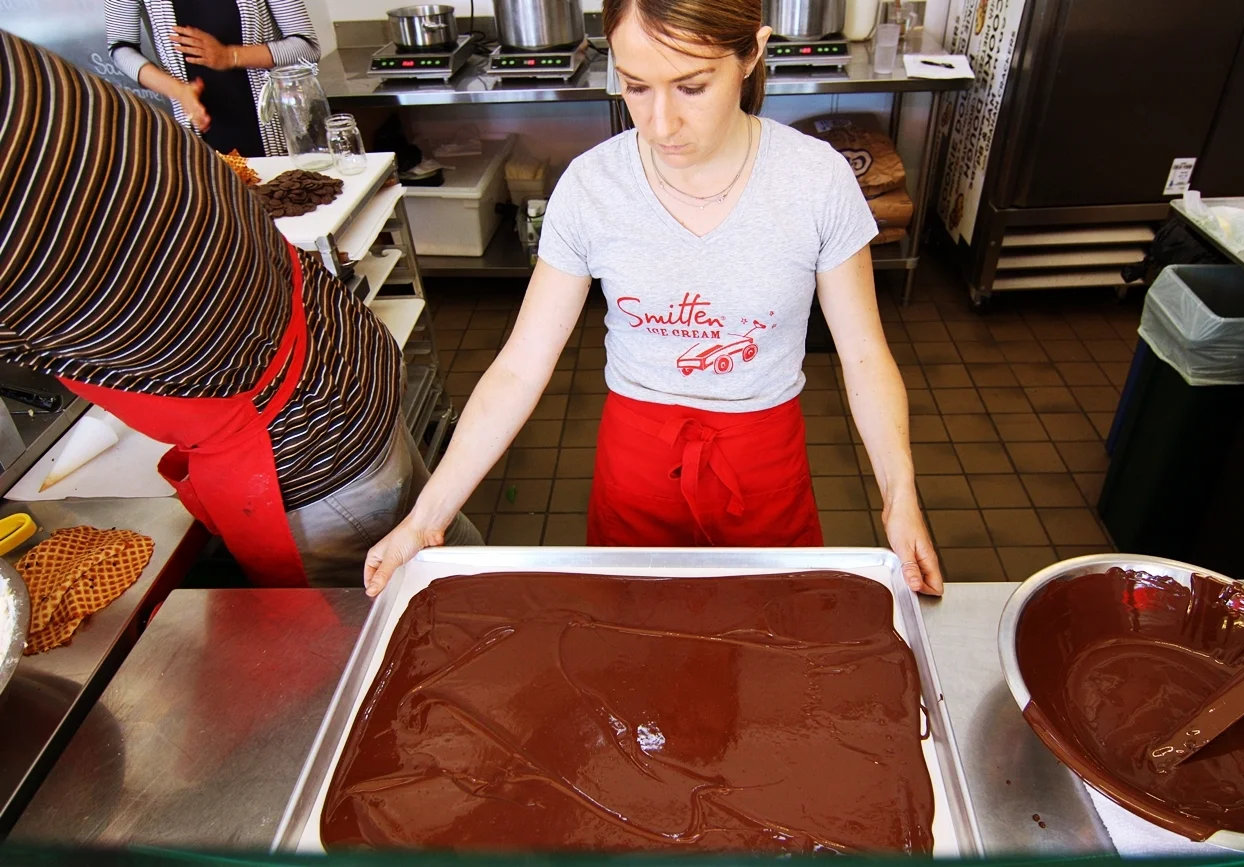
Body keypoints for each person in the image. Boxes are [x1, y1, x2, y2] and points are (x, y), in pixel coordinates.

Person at [364, 0, 944, 597]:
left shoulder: (815, 181)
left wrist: (900, 495)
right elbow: (520, 367)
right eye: (636, 87)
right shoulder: (593, 187)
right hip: (637, 467)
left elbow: (864, 356)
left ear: (751, 53)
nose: (660, 124)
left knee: (770, 629)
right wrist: (426, 518)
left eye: (692, 87)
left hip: (763, 466)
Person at [0, 30, 480, 587]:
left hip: (305, 447)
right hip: (347, 357)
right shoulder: (24, 74)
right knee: (440, 546)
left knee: (376, 617)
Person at [106, 0, 320, 156]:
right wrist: (178, 91)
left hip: (274, 125)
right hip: (198, 126)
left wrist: (230, 56)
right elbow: (121, 49)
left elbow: (307, 47)